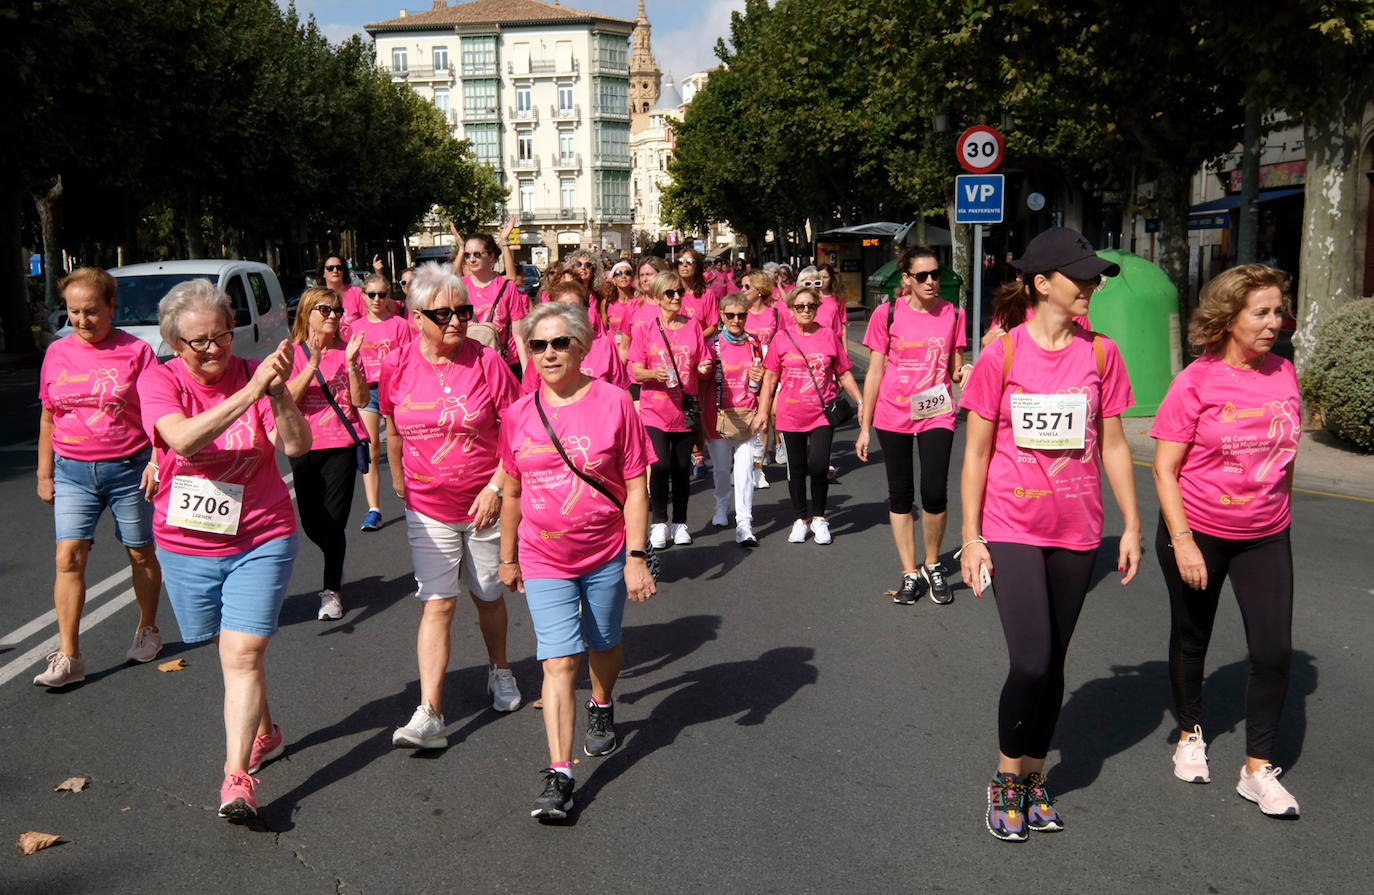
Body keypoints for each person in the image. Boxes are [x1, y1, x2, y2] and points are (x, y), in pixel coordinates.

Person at [956, 227, 1141, 842]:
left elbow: (1113, 443)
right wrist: (972, 536)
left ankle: (1035, 779)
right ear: (1042, 285)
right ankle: (1006, 778)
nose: (1092, 285)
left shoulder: (1102, 354)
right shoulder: (1000, 355)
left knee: (1055, 662)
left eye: (1094, 276)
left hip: (1079, 529)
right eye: (1081, 276)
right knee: (1031, 661)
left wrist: (1133, 524)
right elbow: (977, 454)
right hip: (1012, 525)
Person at [139, 278, 311, 824]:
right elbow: (184, 439)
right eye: (199, 342)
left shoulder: (255, 375)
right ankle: (267, 730)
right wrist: (251, 390)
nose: (214, 349)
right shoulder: (158, 382)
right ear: (175, 343)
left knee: (242, 654)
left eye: (222, 336)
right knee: (224, 647)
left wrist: (278, 392)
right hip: (185, 543)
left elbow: (297, 447)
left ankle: (237, 779)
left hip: (262, 535)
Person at [1152, 263, 1302, 818]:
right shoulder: (1195, 381)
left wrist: (1280, 512)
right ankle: (1191, 731)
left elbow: (1286, 455)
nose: (1273, 322)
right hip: (1200, 529)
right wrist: (1183, 541)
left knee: (1274, 651)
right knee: (1193, 639)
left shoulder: (1285, 372)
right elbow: (1165, 469)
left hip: (1266, 533)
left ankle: (1257, 769)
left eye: (1277, 311)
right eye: (1259, 312)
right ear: (1228, 317)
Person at [498, 301, 656, 821]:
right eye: (537, 344)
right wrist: (507, 556)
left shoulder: (614, 403)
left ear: (583, 346)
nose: (548, 353)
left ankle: (603, 704)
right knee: (559, 660)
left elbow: (636, 486)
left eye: (559, 343)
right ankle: (560, 772)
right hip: (543, 555)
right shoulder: (518, 414)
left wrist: (636, 557)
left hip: (606, 551)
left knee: (604, 641)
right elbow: (513, 491)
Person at [379, 262, 524, 751]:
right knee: (437, 604)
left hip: (483, 503)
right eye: (443, 314)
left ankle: (500, 669)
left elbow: (517, 427)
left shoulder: (486, 361)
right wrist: (398, 479)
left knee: (487, 594)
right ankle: (430, 714)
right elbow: (393, 426)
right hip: (428, 508)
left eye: (463, 311)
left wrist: (496, 486)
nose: (456, 321)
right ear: (416, 316)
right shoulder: (397, 363)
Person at [35, 268, 163, 688]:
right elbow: (49, 415)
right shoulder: (56, 353)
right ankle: (69, 655)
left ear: (112, 307)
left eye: (92, 311)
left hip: (129, 468)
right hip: (72, 471)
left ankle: (147, 628)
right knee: (67, 557)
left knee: (140, 552)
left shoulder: (136, 351)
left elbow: (158, 411)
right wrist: (44, 472)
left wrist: (157, 459)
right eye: (74, 312)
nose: (82, 320)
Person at [855, 246, 970, 605]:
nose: (932, 281)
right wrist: (864, 425)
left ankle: (933, 563)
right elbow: (874, 371)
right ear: (907, 279)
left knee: (935, 491)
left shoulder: (953, 313)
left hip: (936, 412)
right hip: (893, 413)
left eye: (936, 274)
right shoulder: (886, 314)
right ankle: (909, 571)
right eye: (923, 276)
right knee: (900, 494)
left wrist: (963, 371)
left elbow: (954, 366)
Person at [285, 286, 369, 621]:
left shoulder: (348, 350)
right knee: (310, 523)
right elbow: (287, 400)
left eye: (337, 310)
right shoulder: (292, 353)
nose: (334, 315)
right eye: (326, 309)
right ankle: (334, 557)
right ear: (307, 313)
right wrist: (312, 365)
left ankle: (331, 590)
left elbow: (361, 400)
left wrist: (351, 365)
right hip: (304, 447)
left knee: (334, 522)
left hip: (342, 446)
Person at [755, 284, 863, 545]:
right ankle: (800, 519)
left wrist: (861, 401)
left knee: (818, 465)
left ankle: (819, 517)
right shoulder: (782, 338)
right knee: (797, 469)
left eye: (810, 306)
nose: (805, 310)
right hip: (790, 414)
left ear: (817, 308)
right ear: (791, 309)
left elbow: (844, 373)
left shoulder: (828, 336)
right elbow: (770, 378)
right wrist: (762, 410)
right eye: (799, 306)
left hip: (821, 414)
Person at [629, 270, 711, 548]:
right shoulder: (644, 329)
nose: (677, 297)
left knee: (680, 469)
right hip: (654, 409)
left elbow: (703, 360)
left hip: (684, 409)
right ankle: (659, 523)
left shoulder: (693, 326)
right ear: (657, 297)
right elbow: (635, 369)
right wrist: (654, 375)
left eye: (679, 292)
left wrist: (703, 367)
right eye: (670, 293)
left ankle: (680, 523)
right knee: (660, 466)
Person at [351, 274, 413, 532]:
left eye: (382, 294)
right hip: (368, 391)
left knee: (401, 446)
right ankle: (373, 509)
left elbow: (411, 360)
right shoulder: (355, 327)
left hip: (396, 389)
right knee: (371, 448)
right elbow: (350, 361)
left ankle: (412, 499)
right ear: (363, 296)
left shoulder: (400, 324)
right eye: (371, 294)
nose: (377, 300)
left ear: (390, 297)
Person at [704, 292, 765, 545]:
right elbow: (701, 381)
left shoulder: (754, 344)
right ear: (721, 315)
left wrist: (758, 381)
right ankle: (721, 505)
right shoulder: (712, 344)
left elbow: (759, 383)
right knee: (720, 469)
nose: (736, 320)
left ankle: (744, 522)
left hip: (746, 413)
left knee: (744, 469)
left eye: (741, 315)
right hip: (717, 415)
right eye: (731, 315)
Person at [520, 280, 628, 393]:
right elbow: (528, 394)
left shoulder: (604, 344)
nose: (569, 314)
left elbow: (621, 390)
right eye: (562, 308)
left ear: (586, 309)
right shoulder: (542, 346)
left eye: (575, 308)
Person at [461, 232, 530, 378]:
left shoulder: (507, 286)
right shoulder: (459, 287)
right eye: (467, 255)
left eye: (477, 254)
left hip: (506, 363)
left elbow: (519, 335)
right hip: (470, 364)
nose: (471, 259)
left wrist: (527, 374)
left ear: (491, 256)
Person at [674, 250, 720, 339]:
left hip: (700, 346)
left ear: (697, 268)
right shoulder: (670, 292)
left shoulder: (707, 294)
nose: (684, 265)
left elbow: (713, 325)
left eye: (690, 262)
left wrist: (695, 339)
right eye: (680, 261)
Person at [321, 254, 364, 329]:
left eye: (339, 268)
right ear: (323, 273)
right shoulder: (317, 297)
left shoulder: (358, 293)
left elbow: (370, 321)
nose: (335, 270)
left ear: (344, 271)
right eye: (330, 268)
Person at [814, 263, 849, 351]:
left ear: (831, 279)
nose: (821, 280)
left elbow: (843, 327)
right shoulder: (810, 297)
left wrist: (845, 351)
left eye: (825, 277)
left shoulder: (838, 298)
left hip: (833, 344)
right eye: (819, 277)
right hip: (814, 343)